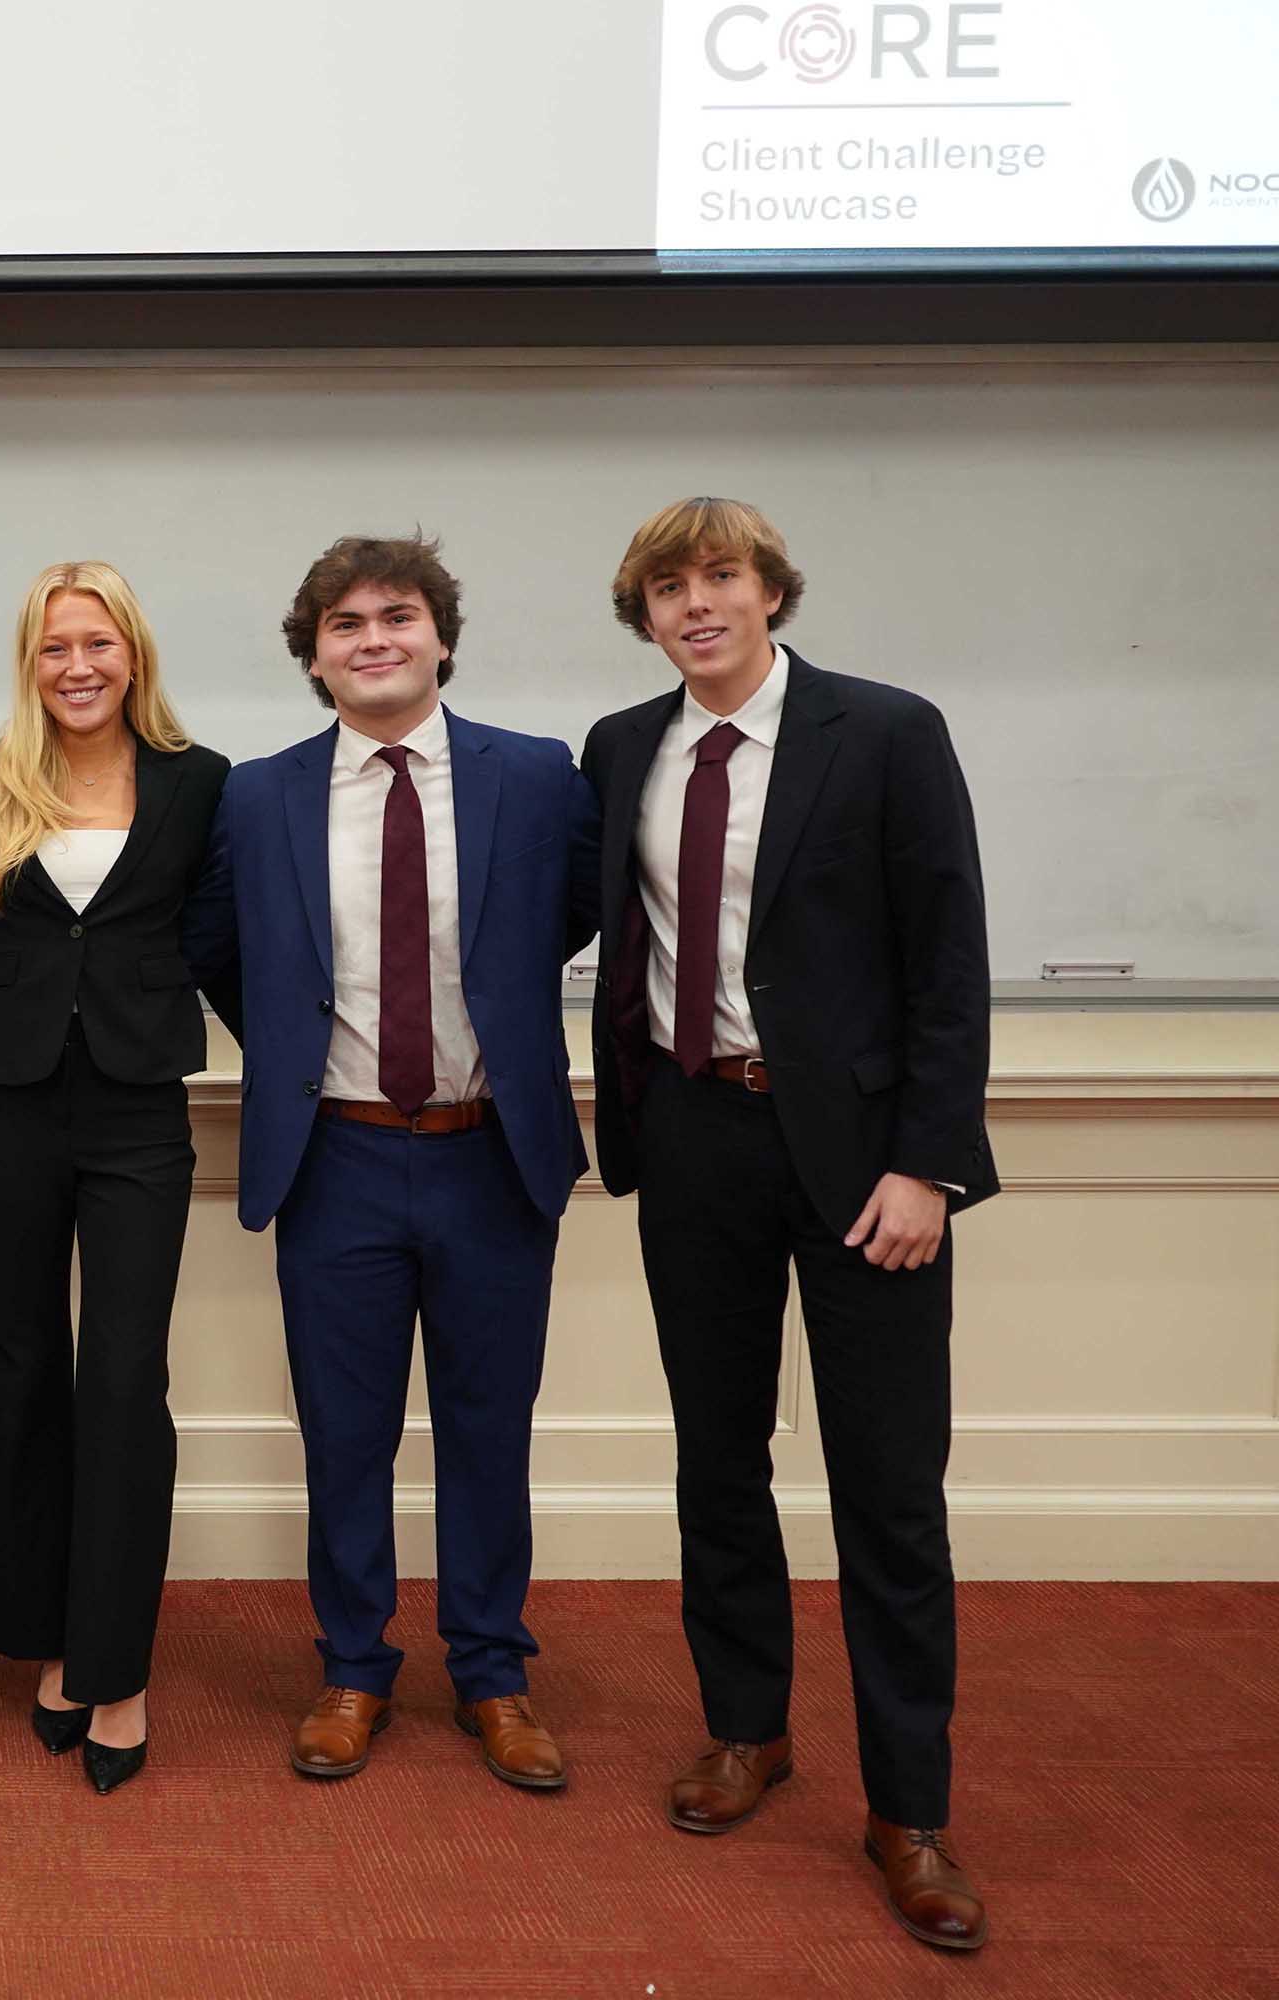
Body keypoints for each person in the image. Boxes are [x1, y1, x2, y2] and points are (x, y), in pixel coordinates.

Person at [582, 497, 994, 1951]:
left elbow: (950, 960)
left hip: (866, 1164)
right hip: (694, 1138)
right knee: (718, 1458)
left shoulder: (883, 733)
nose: (698, 604)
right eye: (669, 588)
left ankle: (911, 1808)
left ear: (771, 594)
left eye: (722, 578)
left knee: (889, 1489)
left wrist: (930, 1167)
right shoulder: (623, 750)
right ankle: (747, 1729)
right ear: (645, 615)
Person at [182, 535, 599, 1793]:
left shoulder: (535, 778)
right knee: (345, 1433)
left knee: (488, 1425)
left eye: (398, 616)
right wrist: (306, 1052)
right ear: (313, 655)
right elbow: (222, 948)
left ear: (441, 637)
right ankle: (354, 1665)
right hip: (340, 1157)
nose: (374, 638)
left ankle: (492, 1671)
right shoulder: (257, 796)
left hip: (490, 1155)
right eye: (346, 623)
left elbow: (569, 917)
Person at [0, 560, 229, 1796]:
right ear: (30, 657)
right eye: (55, 644)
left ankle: (118, 1665)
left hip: (136, 1110)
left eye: (98, 644)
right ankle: (48, 1634)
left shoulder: (199, 782)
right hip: (5, 1102)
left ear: (134, 656)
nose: (77, 665)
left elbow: (222, 936)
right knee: (20, 1368)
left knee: (121, 1376)